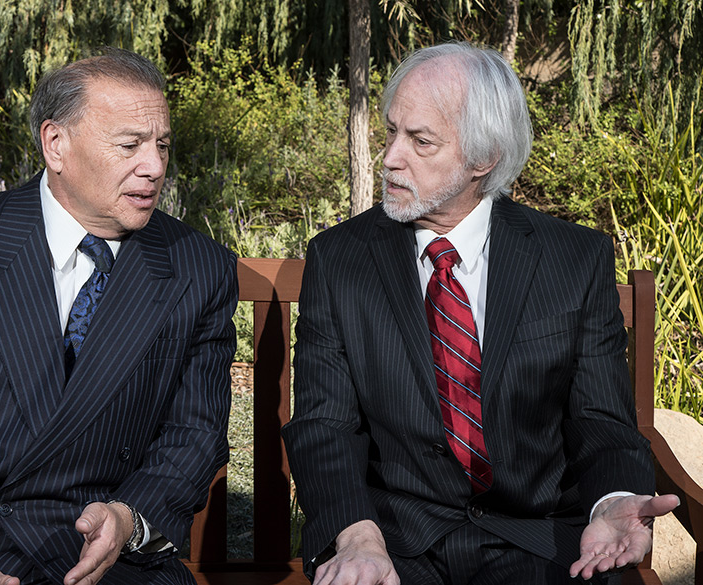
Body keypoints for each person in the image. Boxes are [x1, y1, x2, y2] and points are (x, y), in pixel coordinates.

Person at [282, 42, 679, 585]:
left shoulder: (573, 259)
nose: (391, 157)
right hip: (395, 541)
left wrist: (610, 499)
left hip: (540, 540)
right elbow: (323, 425)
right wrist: (356, 534)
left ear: (483, 159)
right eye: (392, 132)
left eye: (420, 141)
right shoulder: (340, 258)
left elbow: (601, 421)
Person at [0, 48, 237, 585]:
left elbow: (194, 434)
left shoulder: (198, 269)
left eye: (162, 145)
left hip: (103, 555)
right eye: (130, 144)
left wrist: (128, 518)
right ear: (56, 144)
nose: (153, 166)